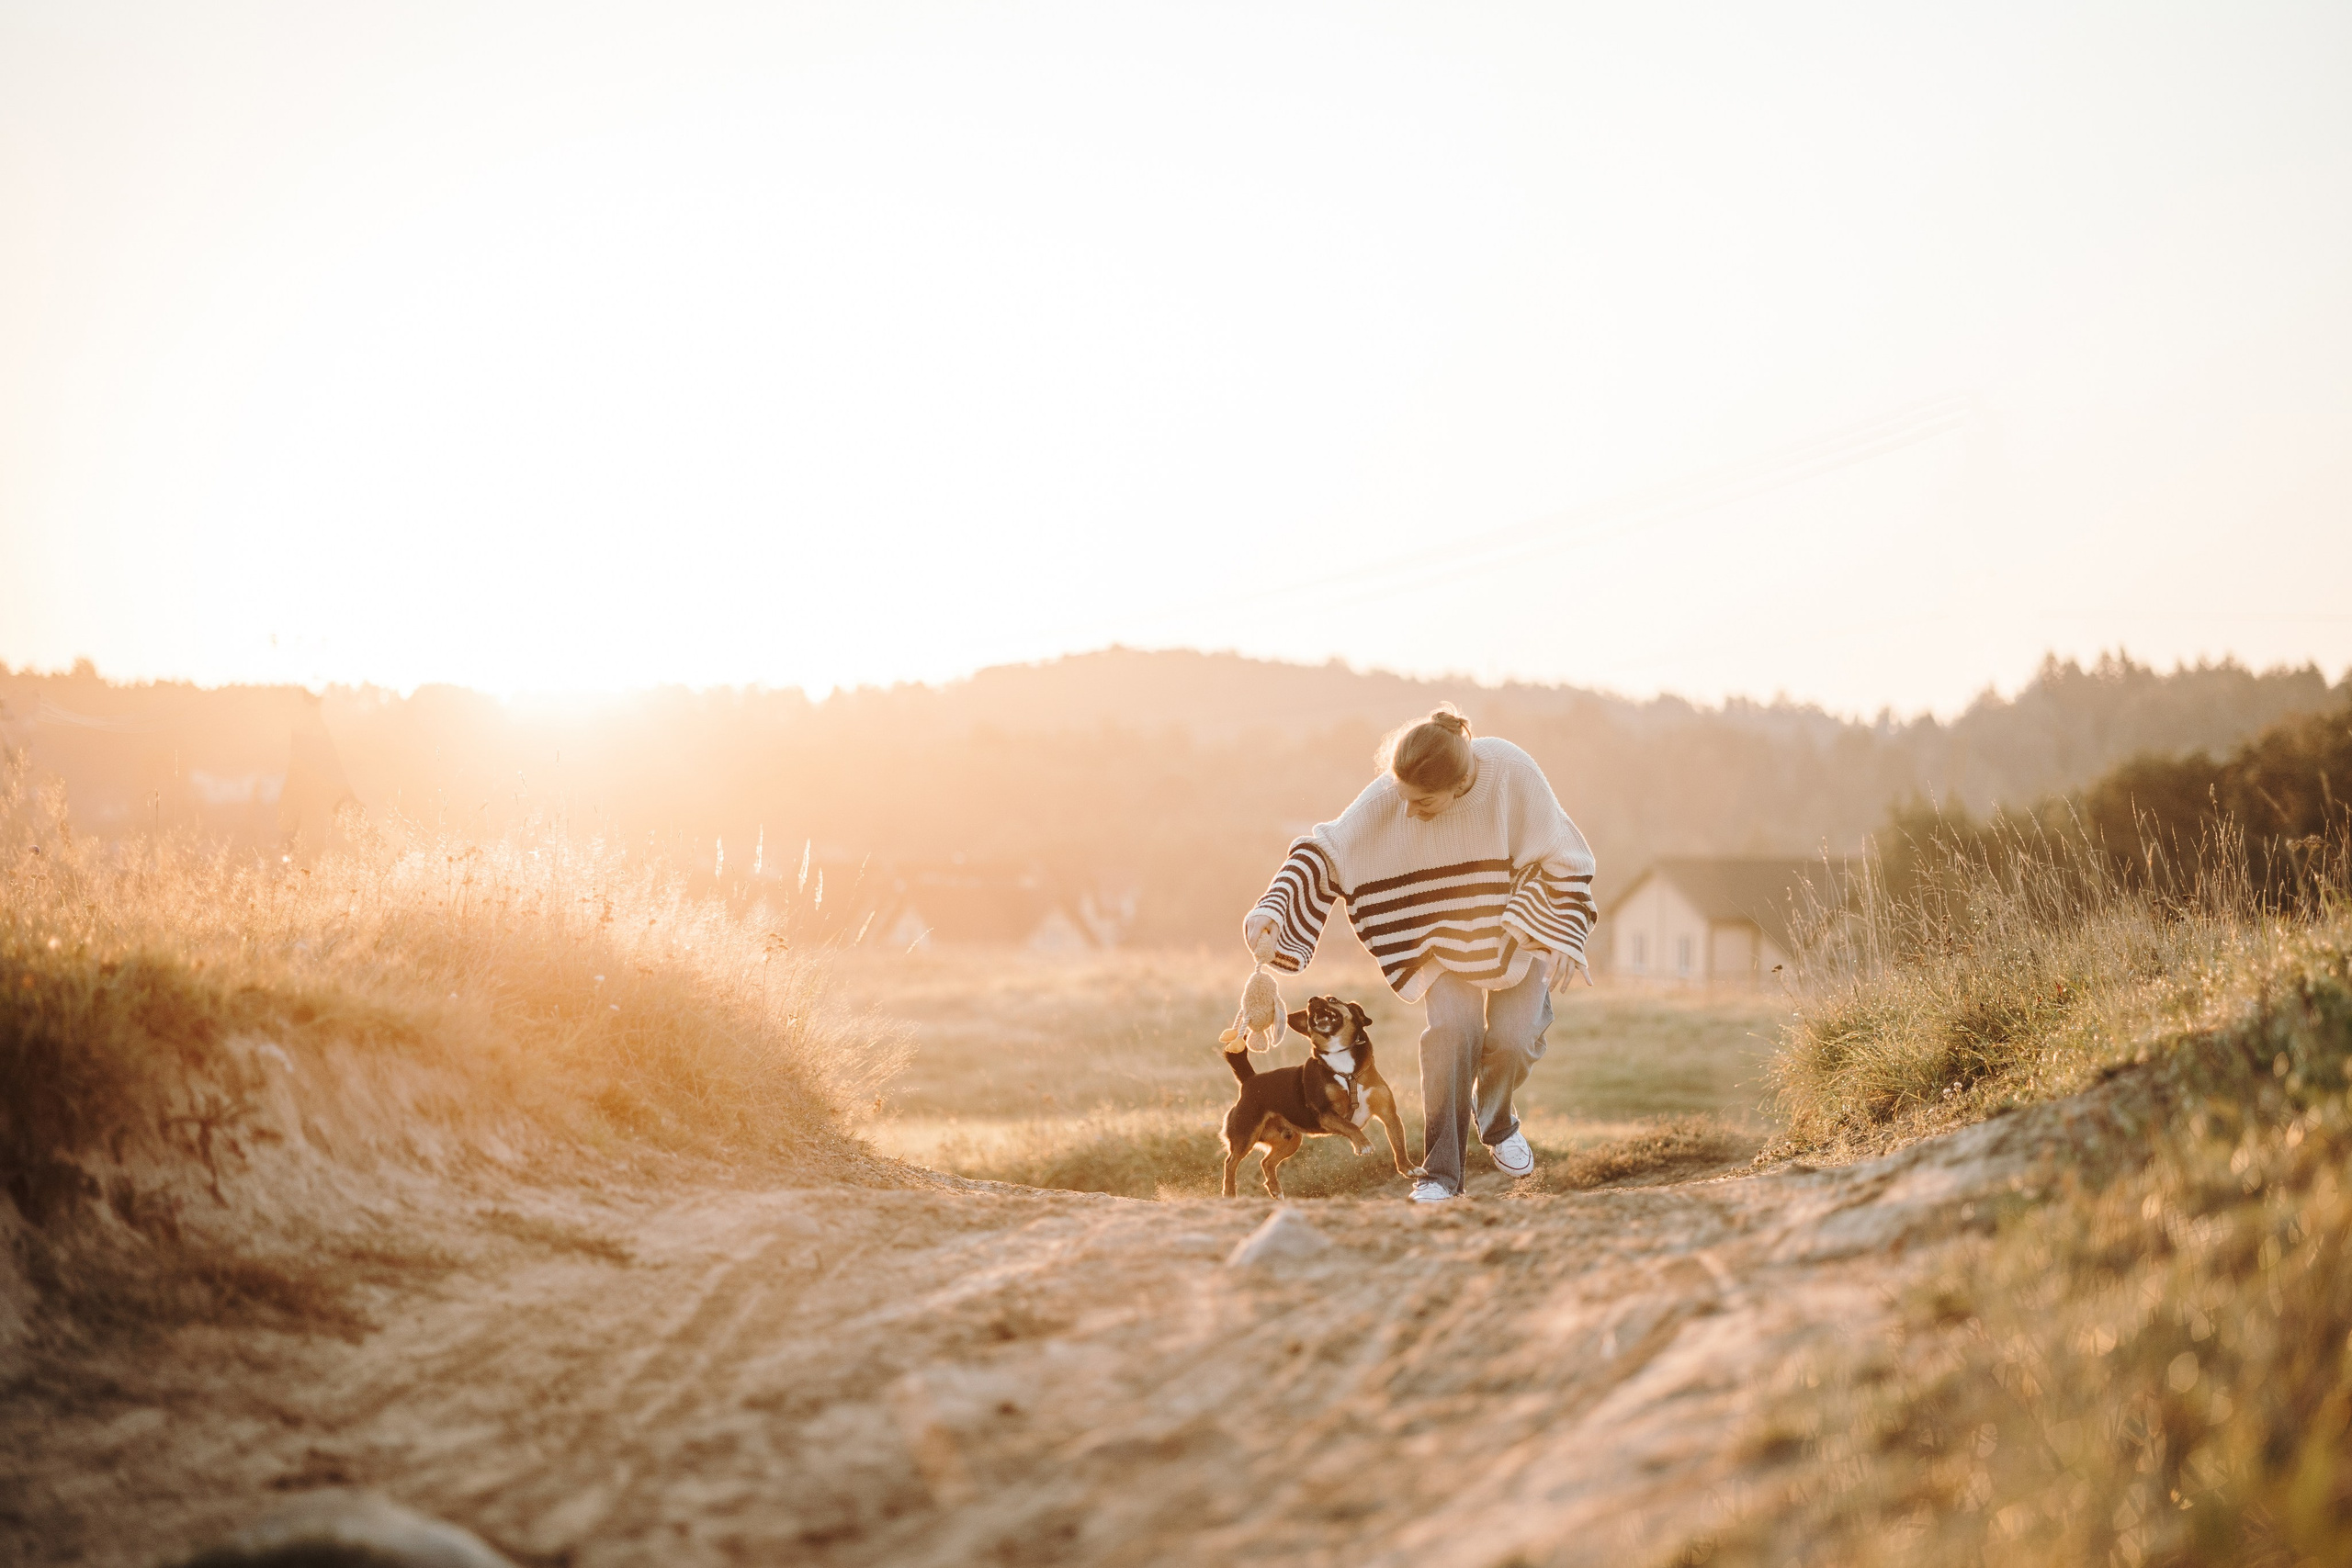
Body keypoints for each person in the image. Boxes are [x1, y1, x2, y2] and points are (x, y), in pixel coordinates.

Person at [1241, 705, 1596, 1203]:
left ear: (1455, 785)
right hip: (1442, 941)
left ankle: (1495, 1121)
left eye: (1423, 802)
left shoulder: (1512, 772)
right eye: (1403, 798)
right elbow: (1329, 847)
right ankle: (1440, 1174)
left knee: (1514, 1041)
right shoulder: (1396, 787)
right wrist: (1274, 907)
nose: (1407, 811)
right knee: (1452, 1036)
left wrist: (1558, 928)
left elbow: (1565, 855)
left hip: (1520, 931)